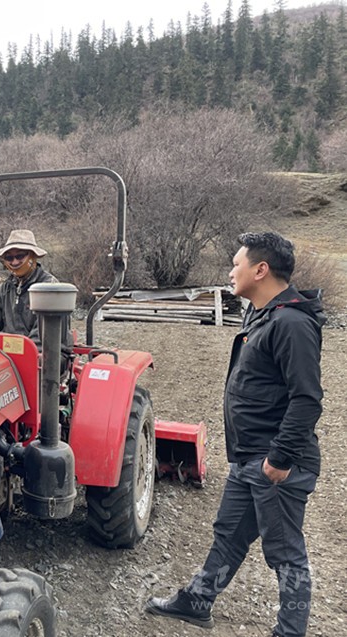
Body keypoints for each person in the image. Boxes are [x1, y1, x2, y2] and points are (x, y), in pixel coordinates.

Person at [145, 232, 325, 637]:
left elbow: (307, 399)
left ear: (261, 270)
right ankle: (197, 601)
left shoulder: (293, 323)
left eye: (236, 264)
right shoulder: (262, 315)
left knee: (285, 554)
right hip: (250, 457)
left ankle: (290, 632)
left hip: (276, 463)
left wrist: (279, 460)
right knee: (229, 534)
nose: (231, 271)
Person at [0, 228, 58, 349]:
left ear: (33, 256)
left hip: (46, 352)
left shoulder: (49, 288)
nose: (14, 262)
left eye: (20, 256)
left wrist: (19, 351)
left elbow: (44, 335)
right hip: (12, 351)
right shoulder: (4, 290)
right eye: (9, 258)